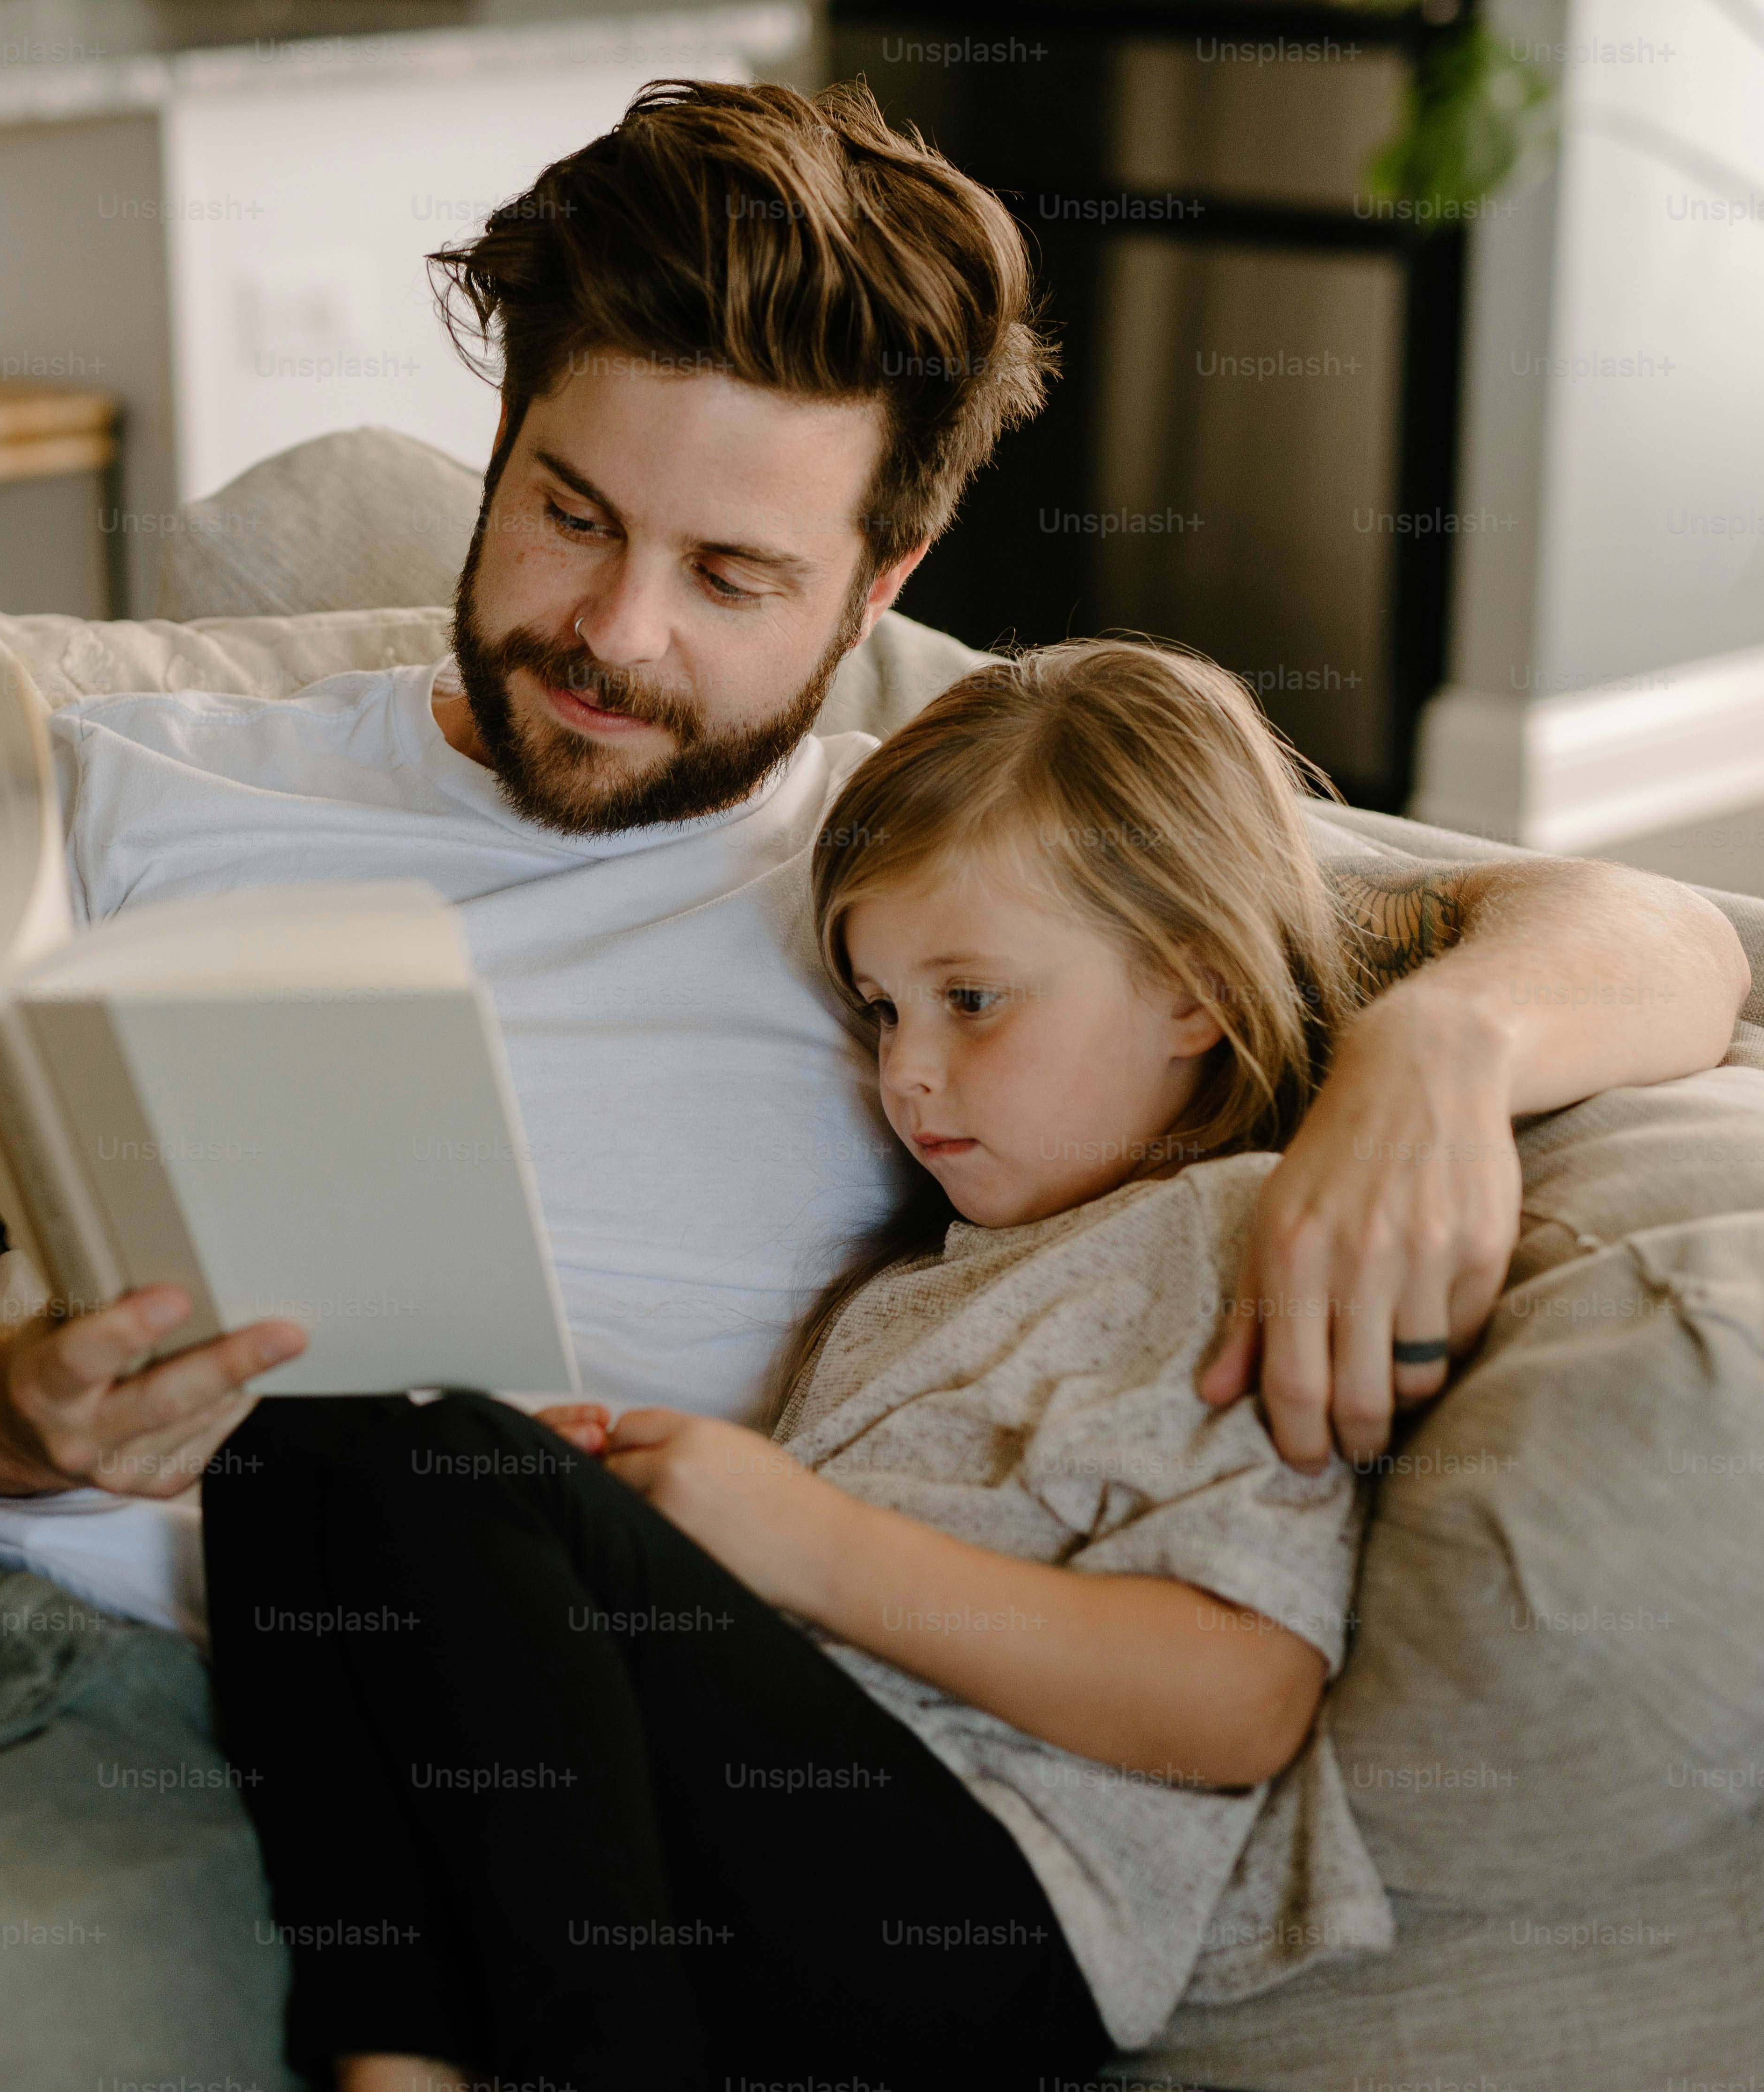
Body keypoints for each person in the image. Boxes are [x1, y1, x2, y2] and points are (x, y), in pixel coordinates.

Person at [0, 81, 1750, 2090]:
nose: (614, 634)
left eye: (735, 581)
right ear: (505, 439)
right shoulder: (138, 786)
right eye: (569, 515)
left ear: (879, 590)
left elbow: (1681, 937)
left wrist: (1444, 1040)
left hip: (309, 1717)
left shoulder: (960, 886)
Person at [205, 639, 1390, 2092]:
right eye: (883, 1008)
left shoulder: (1239, 1232)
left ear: (1194, 993)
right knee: (292, 1446)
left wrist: (805, 1540)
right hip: (776, 1842)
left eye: (973, 999)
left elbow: (1241, 1703)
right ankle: (396, 2061)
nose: (906, 1071)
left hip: (987, 1909)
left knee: (447, 1463)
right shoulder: (924, 1274)